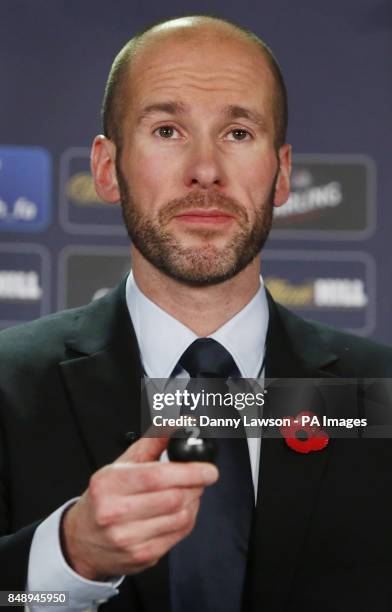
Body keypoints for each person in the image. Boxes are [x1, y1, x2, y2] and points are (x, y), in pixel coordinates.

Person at [1, 14, 392, 612]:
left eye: (237, 133)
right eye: (167, 130)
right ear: (108, 169)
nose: (205, 170)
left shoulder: (380, 394)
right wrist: (69, 558)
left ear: (282, 173)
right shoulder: (7, 383)